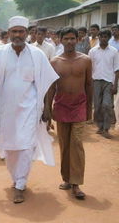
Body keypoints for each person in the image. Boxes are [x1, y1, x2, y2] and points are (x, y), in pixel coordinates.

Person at [0, 16, 58, 203]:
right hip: (6, 109)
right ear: (8, 34)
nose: (17, 35)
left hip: (30, 109)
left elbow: (48, 82)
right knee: (8, 145)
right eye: (14, 32)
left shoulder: (37, 54)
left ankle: (20, 184)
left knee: (25, 146)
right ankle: (15, 178)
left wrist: (48, 107)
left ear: (27, 33)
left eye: (21, 31)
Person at [48, 27, 93, 200]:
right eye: (66, 38)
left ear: (78, 39)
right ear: (59, 39)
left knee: (76, 144)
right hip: (61, 106)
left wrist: (89, 108)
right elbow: (52, 87)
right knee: (65, 145)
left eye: (72, 38)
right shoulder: (55, 62)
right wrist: (47, 108)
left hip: (79, 106)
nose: (69, 41)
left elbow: (89, 84)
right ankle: (67, 178)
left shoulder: (86, 60)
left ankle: (76, 183)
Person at [89, 29, 119, 138]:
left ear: (109, 38)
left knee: (107, 105)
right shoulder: (92, 51)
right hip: (96, 81)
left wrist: (115, 84)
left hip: (108, 81)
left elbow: (117, 69)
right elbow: (90, 68)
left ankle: (106, 128)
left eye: (106, 36)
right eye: (101, 36)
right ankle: (100, 126)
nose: (103, 38)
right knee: (97, 106)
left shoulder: (114, 51)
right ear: (99, 37)